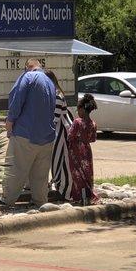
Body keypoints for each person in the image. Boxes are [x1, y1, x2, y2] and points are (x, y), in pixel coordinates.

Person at [0, 58, 56, 207]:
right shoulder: (50, 82)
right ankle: (40, 202)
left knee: (15, 169)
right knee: (40, 175)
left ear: (27, 67)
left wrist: (10, 122)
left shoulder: (28, 77)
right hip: (47, 137)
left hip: (25, 134)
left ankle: (7, 199)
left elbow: (17, 100)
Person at [44, 70, 74, 200]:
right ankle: (62, 189)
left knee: (58, 161)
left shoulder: (57, 95)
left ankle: (63, 190)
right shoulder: (57, 93)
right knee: (60, 161)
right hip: (59, 131)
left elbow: (54, 118)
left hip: (59, 132)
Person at [68, 93, 98, 205]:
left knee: (76, 173)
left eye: (78, 110)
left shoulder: (77, 122)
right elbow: (93, 139)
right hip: (87, 150)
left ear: (82, 109)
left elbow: (70, 135)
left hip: (76, 150)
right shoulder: (93, 124)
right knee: (87, 173)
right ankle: (87, 195)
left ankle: (78, 196)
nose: (77, 112)